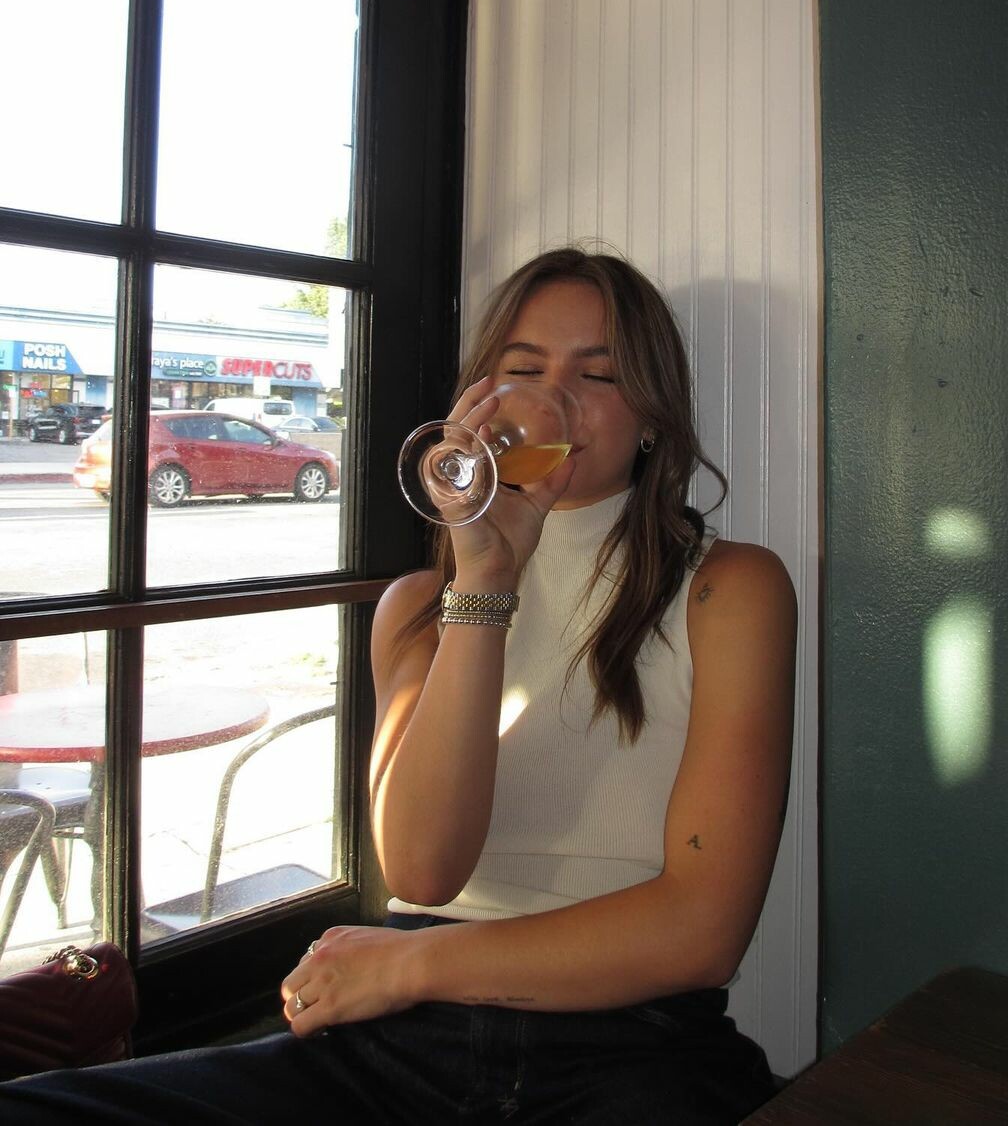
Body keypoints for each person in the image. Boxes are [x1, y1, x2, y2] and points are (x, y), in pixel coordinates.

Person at [0, 246, 796, 1123]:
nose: (554, 399)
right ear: (478, 405)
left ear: (650, 417)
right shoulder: (420, 606)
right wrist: (485, 578)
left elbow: (703, 934)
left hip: (630, 1044)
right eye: (524, 370)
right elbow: (424, 867)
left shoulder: (729, 590)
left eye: (597, 375)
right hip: (397, 1047)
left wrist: (409, 965)